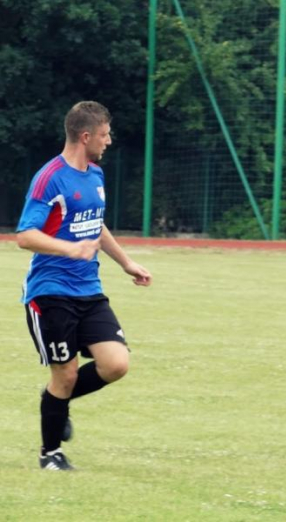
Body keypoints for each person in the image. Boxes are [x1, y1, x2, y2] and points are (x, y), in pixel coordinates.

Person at [16, 101, 152, 471]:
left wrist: (126, 263)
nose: (109, 141)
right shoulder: (50, 178)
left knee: (116, 363)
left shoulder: (95, 175)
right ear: (85, 135)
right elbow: (25, 236)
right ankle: (50, 454)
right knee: (67, 373)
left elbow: (96, 225)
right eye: (105, 135)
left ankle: (55, 402)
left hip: (88, 291)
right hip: (50, 292)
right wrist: (69, 248)